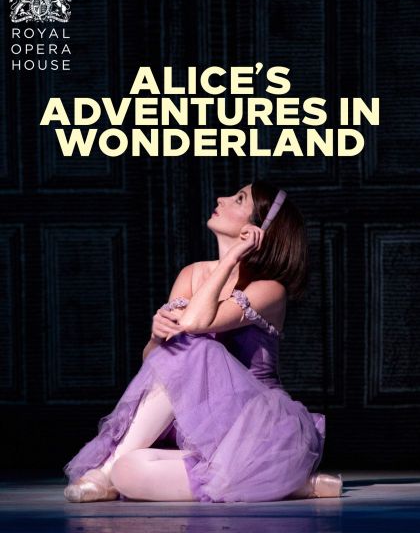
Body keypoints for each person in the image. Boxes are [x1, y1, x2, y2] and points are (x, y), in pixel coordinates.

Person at [63, 180, 342, 503]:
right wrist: (156, 337)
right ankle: (286, 483)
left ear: (257, 229)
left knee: (196, 344)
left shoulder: (269, 288)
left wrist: (231, 258)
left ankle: (105, 471)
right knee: (130, 472)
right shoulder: (192, 274)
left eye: (239, 199)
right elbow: (158, 364)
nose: (221, 199)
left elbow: (195, 323)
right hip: (201, 427)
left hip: (256, 427)